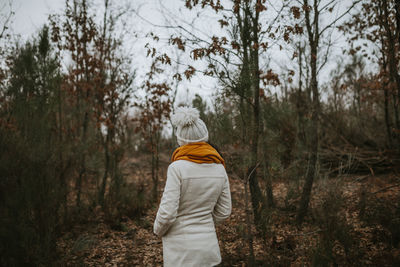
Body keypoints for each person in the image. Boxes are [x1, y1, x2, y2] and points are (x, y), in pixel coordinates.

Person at [153, 106, 232, 267]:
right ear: (205, 137)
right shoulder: (219, 168)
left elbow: (167, 214)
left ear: (180, 140)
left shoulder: (177, 168)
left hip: (181, 255)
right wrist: (204, 224)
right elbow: (224, 211)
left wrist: (158, 231)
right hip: (209, 252)